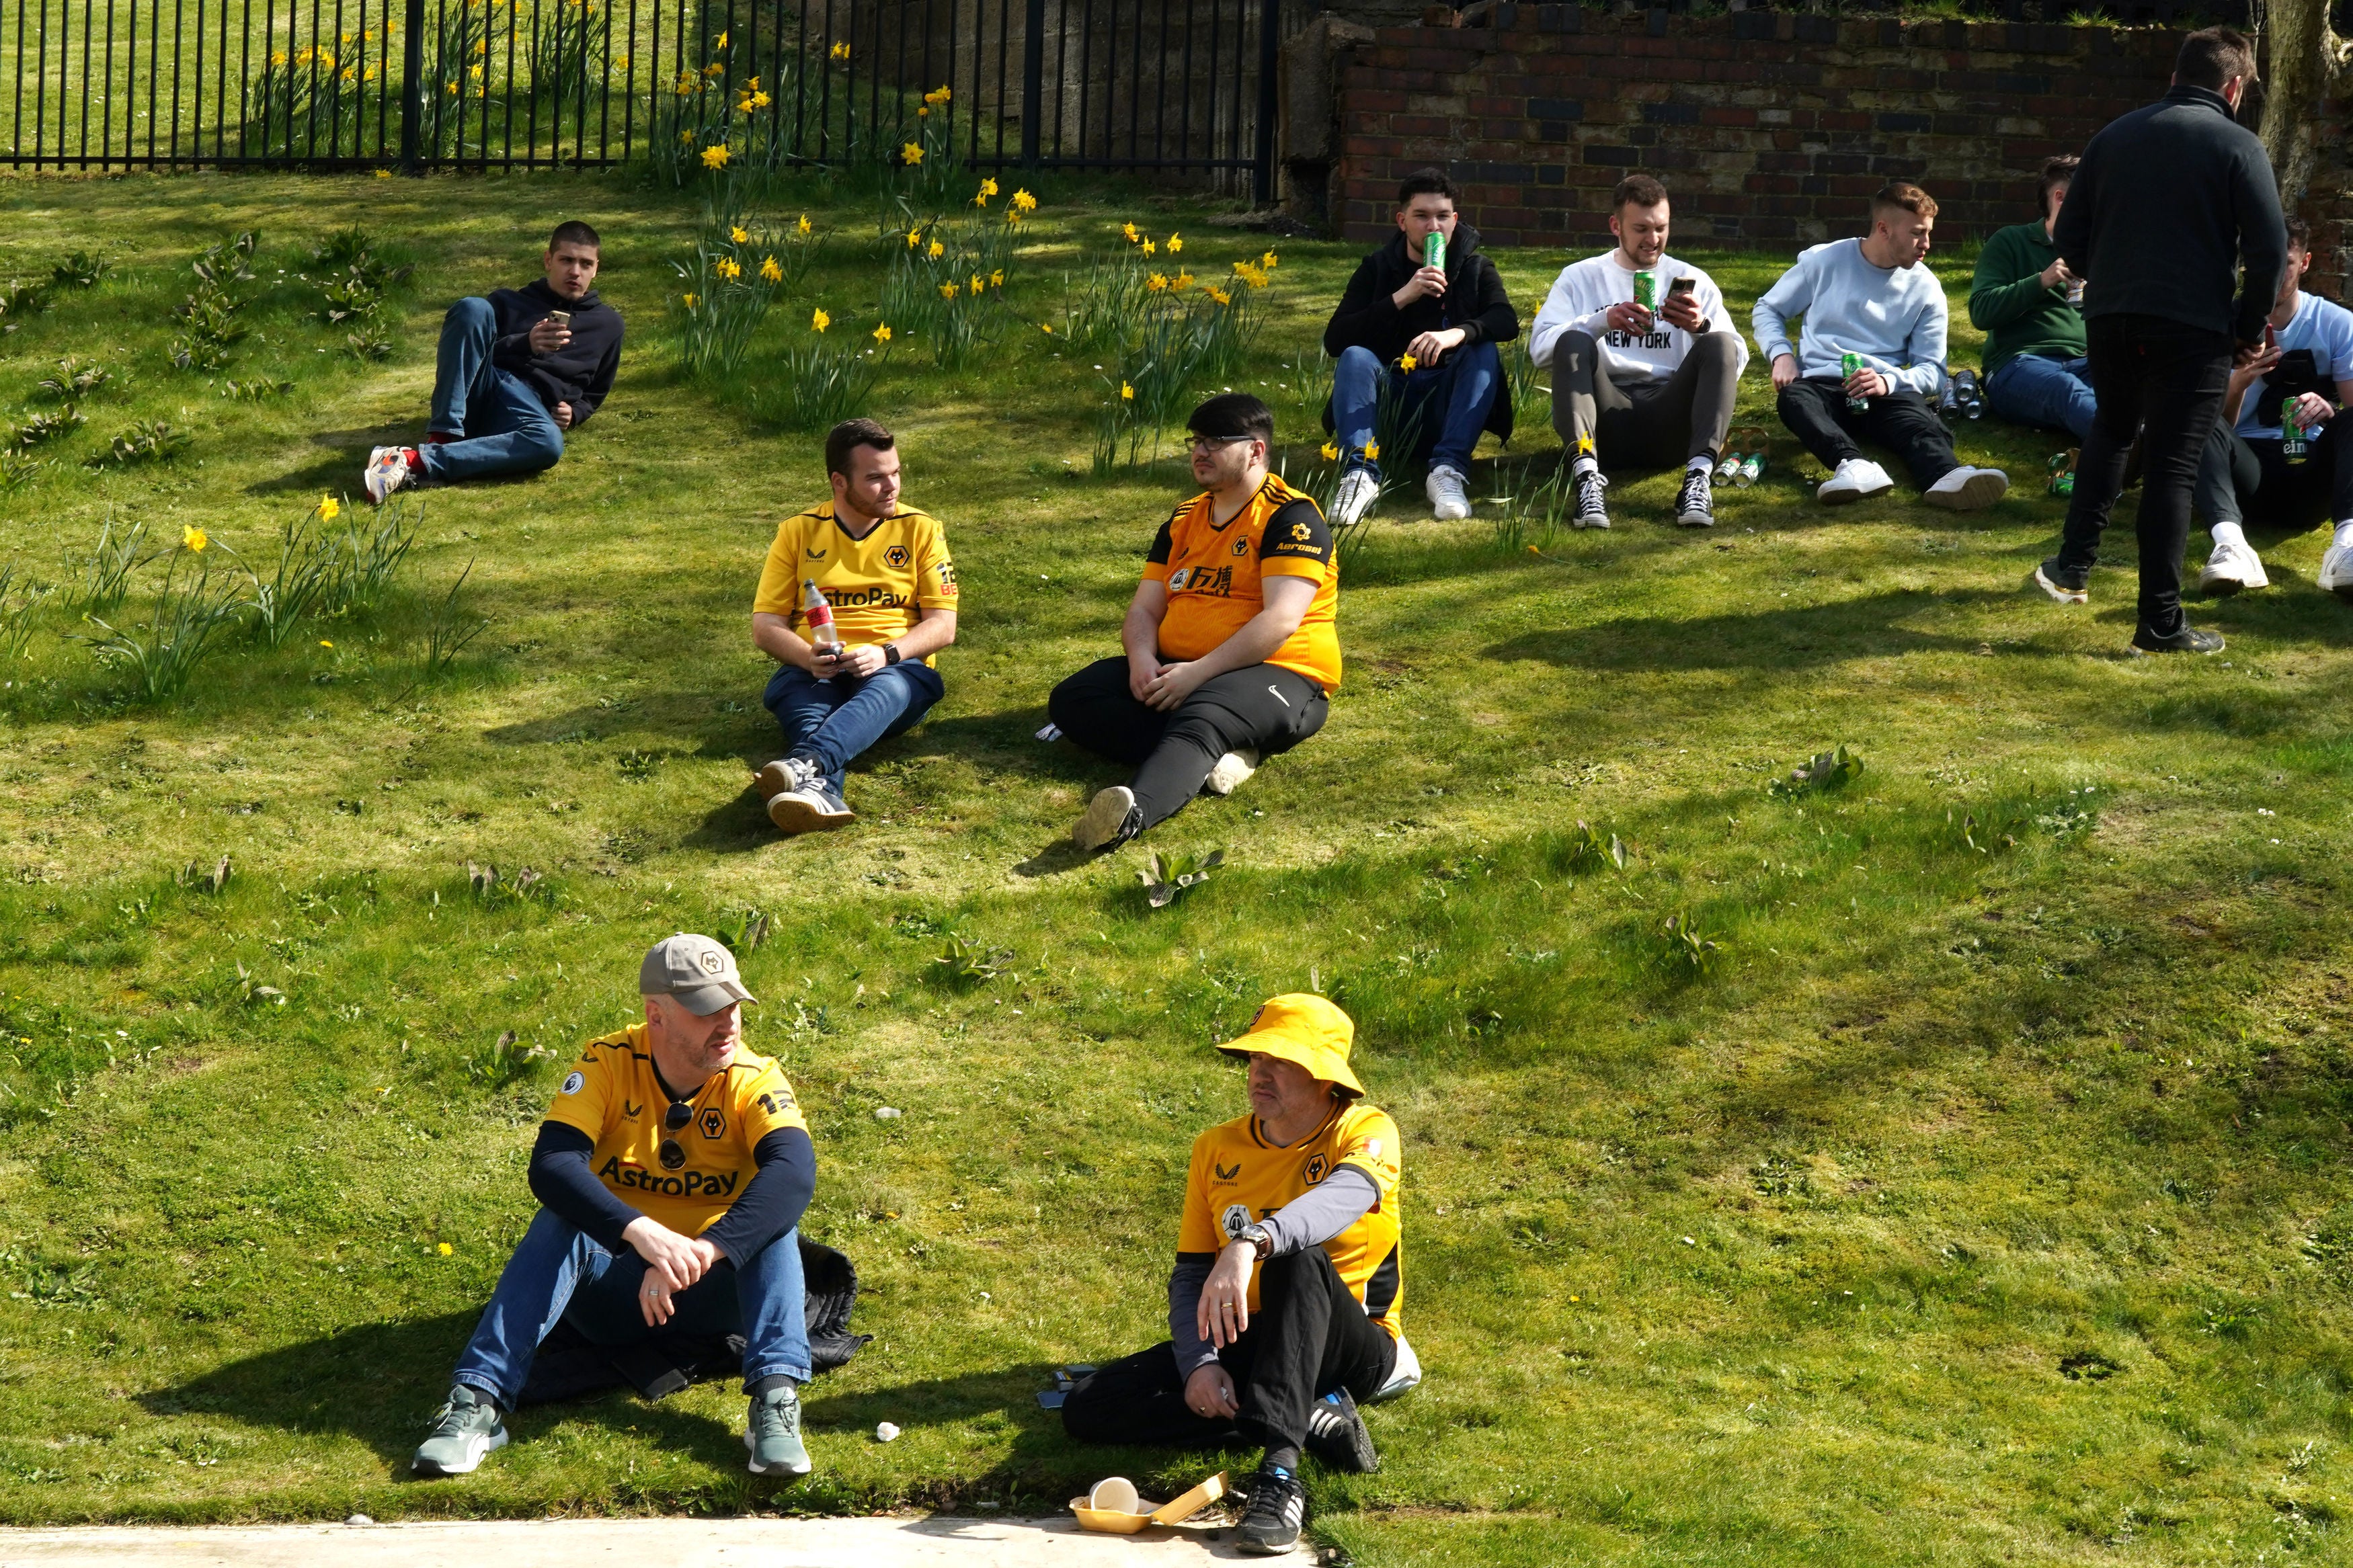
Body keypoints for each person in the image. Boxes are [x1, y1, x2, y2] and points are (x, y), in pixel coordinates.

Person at [411, 936, 820, 1481]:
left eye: (733, 1005)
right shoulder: (607, 1062)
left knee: (776, 1228)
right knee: (563, 1217)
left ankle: (775, 1402)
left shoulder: (756, 1078)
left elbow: (793, 1176)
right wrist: (642, 1235)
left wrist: (702, 1251)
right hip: (613, 1289)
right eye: (707, 1010)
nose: (728, 1024)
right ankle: (476, 1404)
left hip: (712, 1292)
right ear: (657, 1015)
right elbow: (552, 1164)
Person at [1062, 995, 1416, 1557]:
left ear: (1326, 1077)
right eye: (1254, 1058)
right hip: (1254, 1340)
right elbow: (1190, 1276)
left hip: (1353, 1345)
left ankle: (1280, 1473)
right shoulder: (1216, 1146)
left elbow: (1344, 1197)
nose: (1259, 1072)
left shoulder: (1367, 1129)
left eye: (1281, 1059)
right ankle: (1311, 1414)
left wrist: (1252, 1242)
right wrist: (1200, 1364)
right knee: (1088, 1404)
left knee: (1295, 1256)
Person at [2032, 26, 2286, 654]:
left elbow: (2069, 237)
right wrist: (2246, 327)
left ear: (2174, 76)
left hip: (2112, 317)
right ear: (2233, 86)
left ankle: (2071, 567)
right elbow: (2269, 249)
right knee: (2174, 462)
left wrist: (2108, 279)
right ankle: (2159, 623)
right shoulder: (2238, 144)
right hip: (2192, 325)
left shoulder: (2112, 136)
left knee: (2113, 432)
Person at [1048, 395, 1339, 854]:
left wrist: (1197, 673)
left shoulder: (1291, 517)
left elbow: (1281, 620)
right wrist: (1141, 661)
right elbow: (1145, 609)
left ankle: (1130, 815)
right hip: (1179, 665)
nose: (1200, 451)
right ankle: (1214, 756)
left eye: (1216, 441)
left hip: (1281, 673)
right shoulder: (1184, 518)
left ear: (1256, 451)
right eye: (1197, 440)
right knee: (1073, 698)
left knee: (1203, 713)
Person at [750, 419, 958, 833]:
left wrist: (886, 654)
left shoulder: (921, 529)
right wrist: (807, 657)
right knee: (812, 716)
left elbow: (943, 626)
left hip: (896, 672)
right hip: (813, 673)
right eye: (876, 478)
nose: (892, 486)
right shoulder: (798, 531)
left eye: (895, 472)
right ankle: (817, 793)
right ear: (839, 481)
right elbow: (766, 626)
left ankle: (805, 765)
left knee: (892, 686)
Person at [1753, 183, 2009, 510]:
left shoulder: (1927, 288)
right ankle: (1853, 466)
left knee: (1919, 422)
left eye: (1928, 233)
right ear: (1883, 229)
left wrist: (1889, 382)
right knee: (1795, 399)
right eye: (1917, 233)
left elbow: (1933, 371)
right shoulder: (1824, 261)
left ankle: (1948, 477)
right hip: (1824, 386)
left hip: (1886, 390)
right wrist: (1782, 355)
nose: (1927, 244)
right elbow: (1768, 309)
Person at [1527, 173, 1748, 530]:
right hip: (1602, 420)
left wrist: (1699, 328)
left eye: (1661, 228)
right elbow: (1540, 350)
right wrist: (1601, 321)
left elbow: (1734, 361)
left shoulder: (1692, 278)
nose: (1653, 240)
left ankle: (1698, 479)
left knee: (1720, 340)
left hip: (1670, 422)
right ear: (1616, 225)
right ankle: (1586, 480)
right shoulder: (1580, 277)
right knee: (1572, 338)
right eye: (1641, 229)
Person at [365, 220, 622, 502]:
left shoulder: (608, 325)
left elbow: (597, 390)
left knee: (548, 444)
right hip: (483, 388)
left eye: (585, 264)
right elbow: (470, 353)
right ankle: (443, 437)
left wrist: (576, 414)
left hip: (526, 410)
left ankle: (411, 460)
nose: (575, 271)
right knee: (473, 308)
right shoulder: (507, 302)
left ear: (596, 268)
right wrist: (526, 343)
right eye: (566, 260)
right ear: (548, 261)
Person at [1321, 168, 1519, 526]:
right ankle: (1360, 475)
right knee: (1355, 356)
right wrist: (1402, 296)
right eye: (1422, 216)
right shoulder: (1376, 268)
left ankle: (1447, 471)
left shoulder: (1475, 268)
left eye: (1443, 216)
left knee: (1483, 349)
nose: (1434, 227)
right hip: (1390, 407)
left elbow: (1506, 321)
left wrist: (1456, 334)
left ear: (1455, 220)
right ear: (1402, 221)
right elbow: (1335, 338)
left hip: (1447, 406)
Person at [2190, 218, 2353, 596]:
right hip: (2246, 469)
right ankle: (2230, 546)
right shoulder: (2220, 323)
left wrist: (2328, 408)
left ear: (2306, 262)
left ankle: (2345, 546)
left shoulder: (2337, 323)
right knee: (2198, 422)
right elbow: (2216, 430)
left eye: (2287, 264)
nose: (2275, 276)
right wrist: (2235, 386)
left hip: (2311, 468)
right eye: (2263, 265)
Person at [1972, 157, 2096, 441]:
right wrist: (2042, 281)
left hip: (2085, 362)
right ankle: (2130, 449)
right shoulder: (2010, 242)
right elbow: (1981, 311)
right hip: (2019, 365)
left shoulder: (2100, 252)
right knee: (2064, 388)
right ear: (2061, 198)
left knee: (2134, 386)